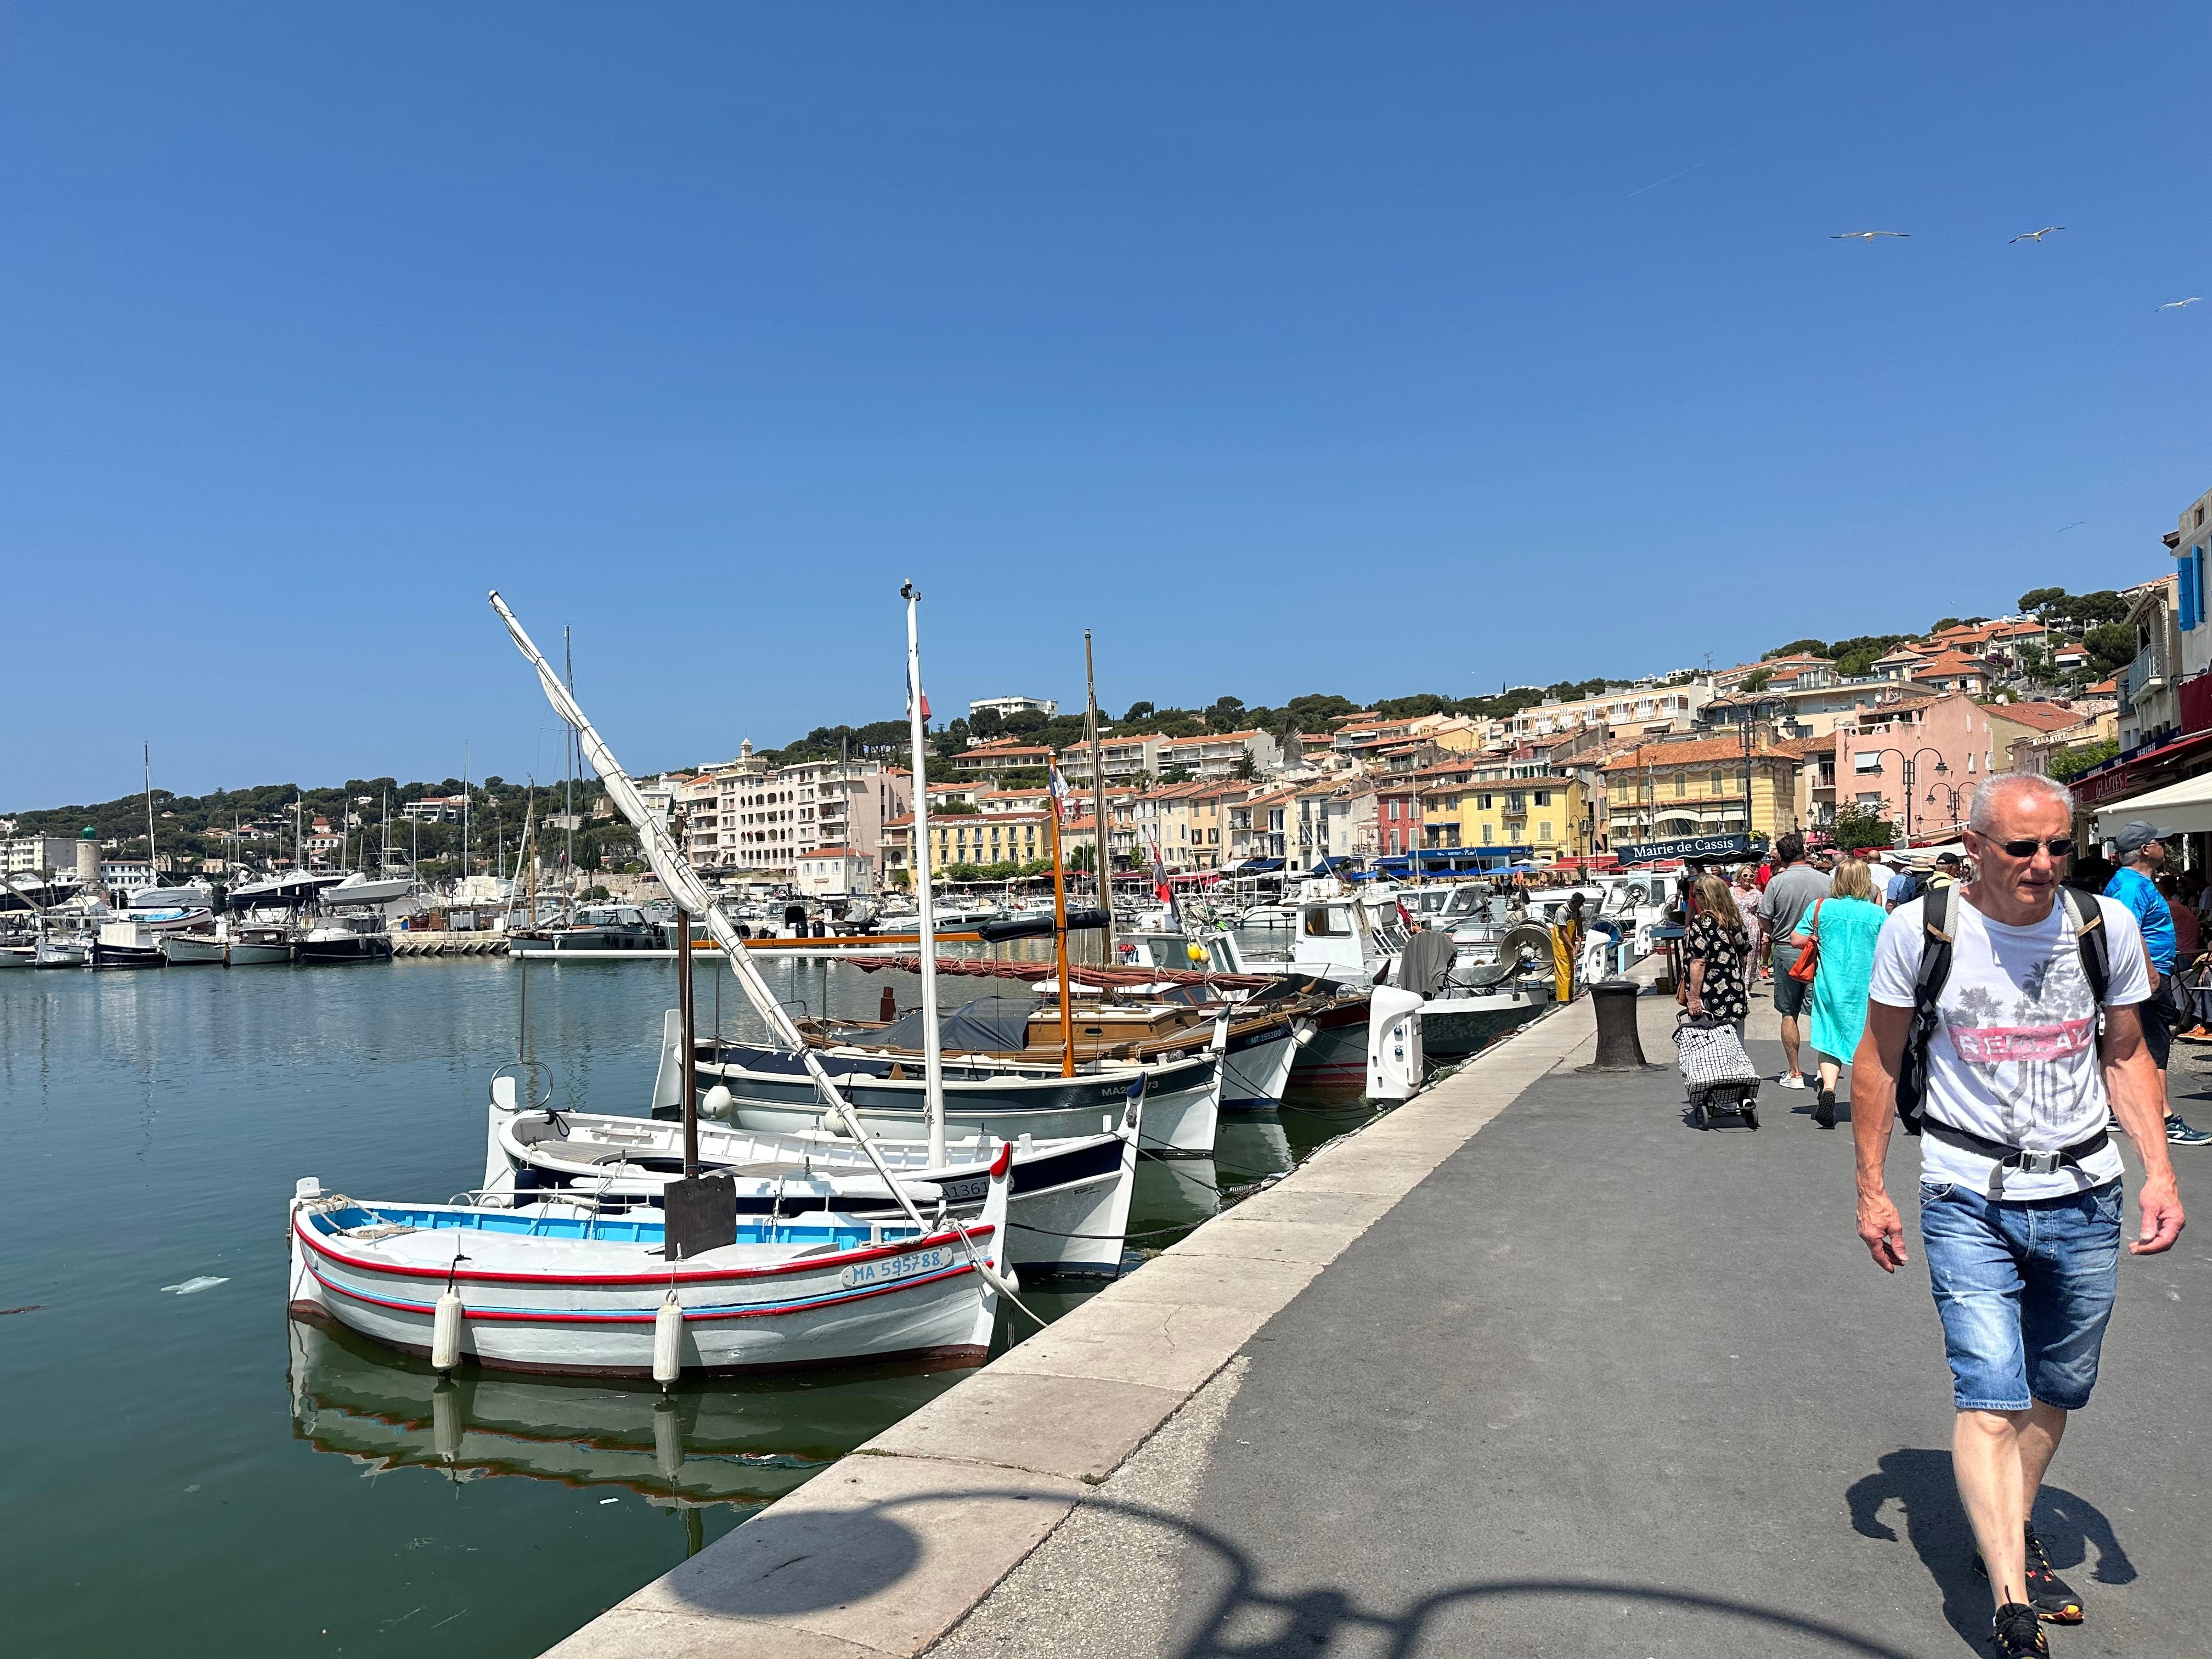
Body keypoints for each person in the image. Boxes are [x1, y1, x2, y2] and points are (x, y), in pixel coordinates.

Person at [1852, 774, 2185, 1657]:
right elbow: (1880, 1062)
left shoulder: (2101, 927)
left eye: (2058, 847)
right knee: (1991, 1392)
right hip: (1967, 1190)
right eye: (2021, 848)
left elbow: (2127, 1056)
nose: (2043, 865)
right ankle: (2008, 1596)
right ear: (1974, 848)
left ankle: (2016, 1526)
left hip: (2086, 1191)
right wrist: (1872, 1187)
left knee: (2053, 1389)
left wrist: (2161, 1173)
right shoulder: (1921, 930)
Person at [2102, 822, 2212, 1146]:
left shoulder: (2132, 883)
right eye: (2159, 841)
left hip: (2146, 975)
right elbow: (2126, 930)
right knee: (2155, 1046)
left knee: (2134, 1044)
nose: (2165, 846)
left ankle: (2115, 1109)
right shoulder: (2132, 886)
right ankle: (2163, 1118)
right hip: (2145, 976)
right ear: (2146, 850)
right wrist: (2149, 972)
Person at [1791, 855, 1888, 1128]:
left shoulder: (1821, 907)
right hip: (1865, 986)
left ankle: (1830, 1088)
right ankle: (1865, 1102)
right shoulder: (1877, 914)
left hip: (1829, 982)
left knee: (1829, 1036)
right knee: (1865, 1041)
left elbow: (1796, 939)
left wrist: (1814, 938)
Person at [1759, 832, 1831, 1089]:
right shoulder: (1826, 881)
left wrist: (1777, 930)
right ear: (1803, 851)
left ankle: (1795, 1072)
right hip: (1821, 949)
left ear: (1781, 855)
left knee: (1789, 1011)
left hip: (1787, 948)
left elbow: (1765, 919)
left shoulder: (1777, 883)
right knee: (1822, 1012)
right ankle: (1826, 1071)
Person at [1681, 872, 1751, 1036]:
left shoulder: (1700, 924)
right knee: (1736, 1047)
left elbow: (1698, 962)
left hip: (1710, 998)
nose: (1695, 899)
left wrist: (1693, 998)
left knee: (1712, 1052)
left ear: (1705, 897)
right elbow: (1744, 954)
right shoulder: (1735, 920)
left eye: (1696, 895)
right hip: (1735, 994)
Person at [1732, 865, 1767, 983]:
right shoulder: (1730, 892)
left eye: (1751, 876)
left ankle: (1746, 983)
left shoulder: (1757, 894)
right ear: (1739, 877)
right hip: (1734, 927)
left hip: (1751, 927)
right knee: (1735, 954)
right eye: (1745, 875)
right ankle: (1736, 980)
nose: (1748, 878)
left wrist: (1765, 934)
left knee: (1750, 955)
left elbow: (1762, 914)